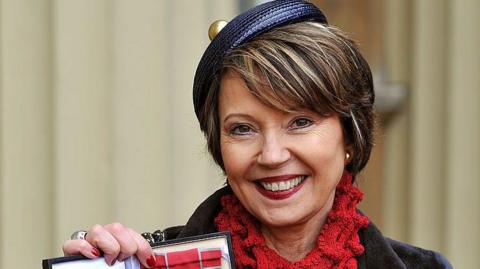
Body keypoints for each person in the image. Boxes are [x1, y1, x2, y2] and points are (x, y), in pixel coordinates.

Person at [63, 1, 452, 268]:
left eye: (300, 121)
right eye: (243, 129)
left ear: (349, 136)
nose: (272, 154)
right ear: (219, 146)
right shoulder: (153, 263)